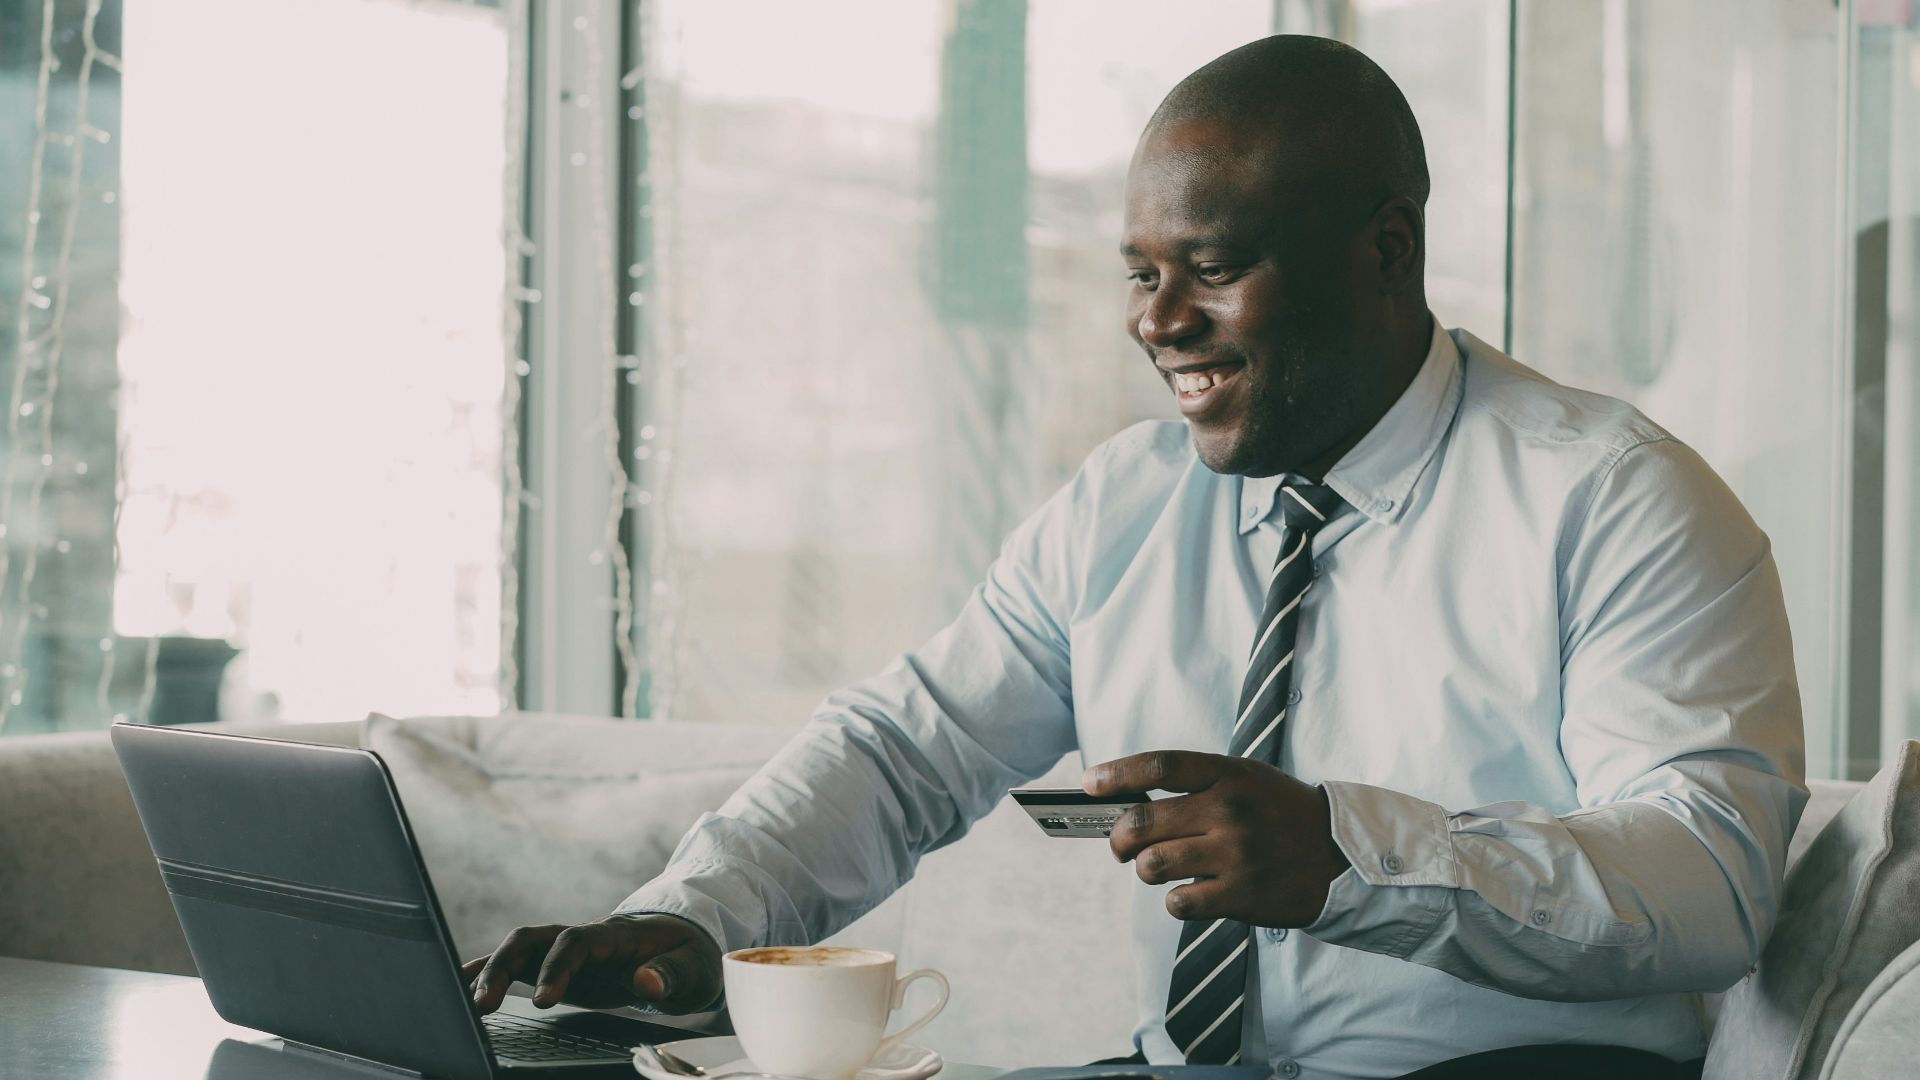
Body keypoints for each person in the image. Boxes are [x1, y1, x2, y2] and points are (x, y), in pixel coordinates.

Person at [464, 35, 1805, 1080]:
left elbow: (1710, 882)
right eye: (1140, 273)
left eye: (1211, 269)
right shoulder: (1128, 499)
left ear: (1386, 254)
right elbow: (905, 748)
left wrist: (1349, 854)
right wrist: (699, 914)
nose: (1158, 322)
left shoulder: (1617, 500)